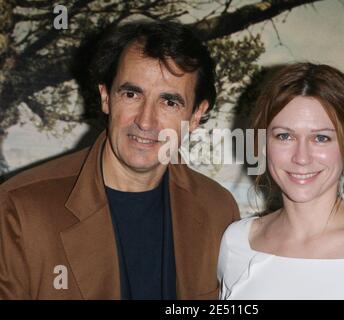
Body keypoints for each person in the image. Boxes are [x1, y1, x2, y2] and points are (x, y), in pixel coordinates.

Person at [0, 20, 239, 300]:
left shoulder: (218, 210)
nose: (145, 121)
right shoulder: (18, 209)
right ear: (106, 97)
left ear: (196, 115)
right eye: (131, 94)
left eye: (169, 102)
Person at [218, 63, 344, 300]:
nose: (301, 157)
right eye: (285, 136)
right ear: (263, 145)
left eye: (321, 138)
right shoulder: (237, 242)